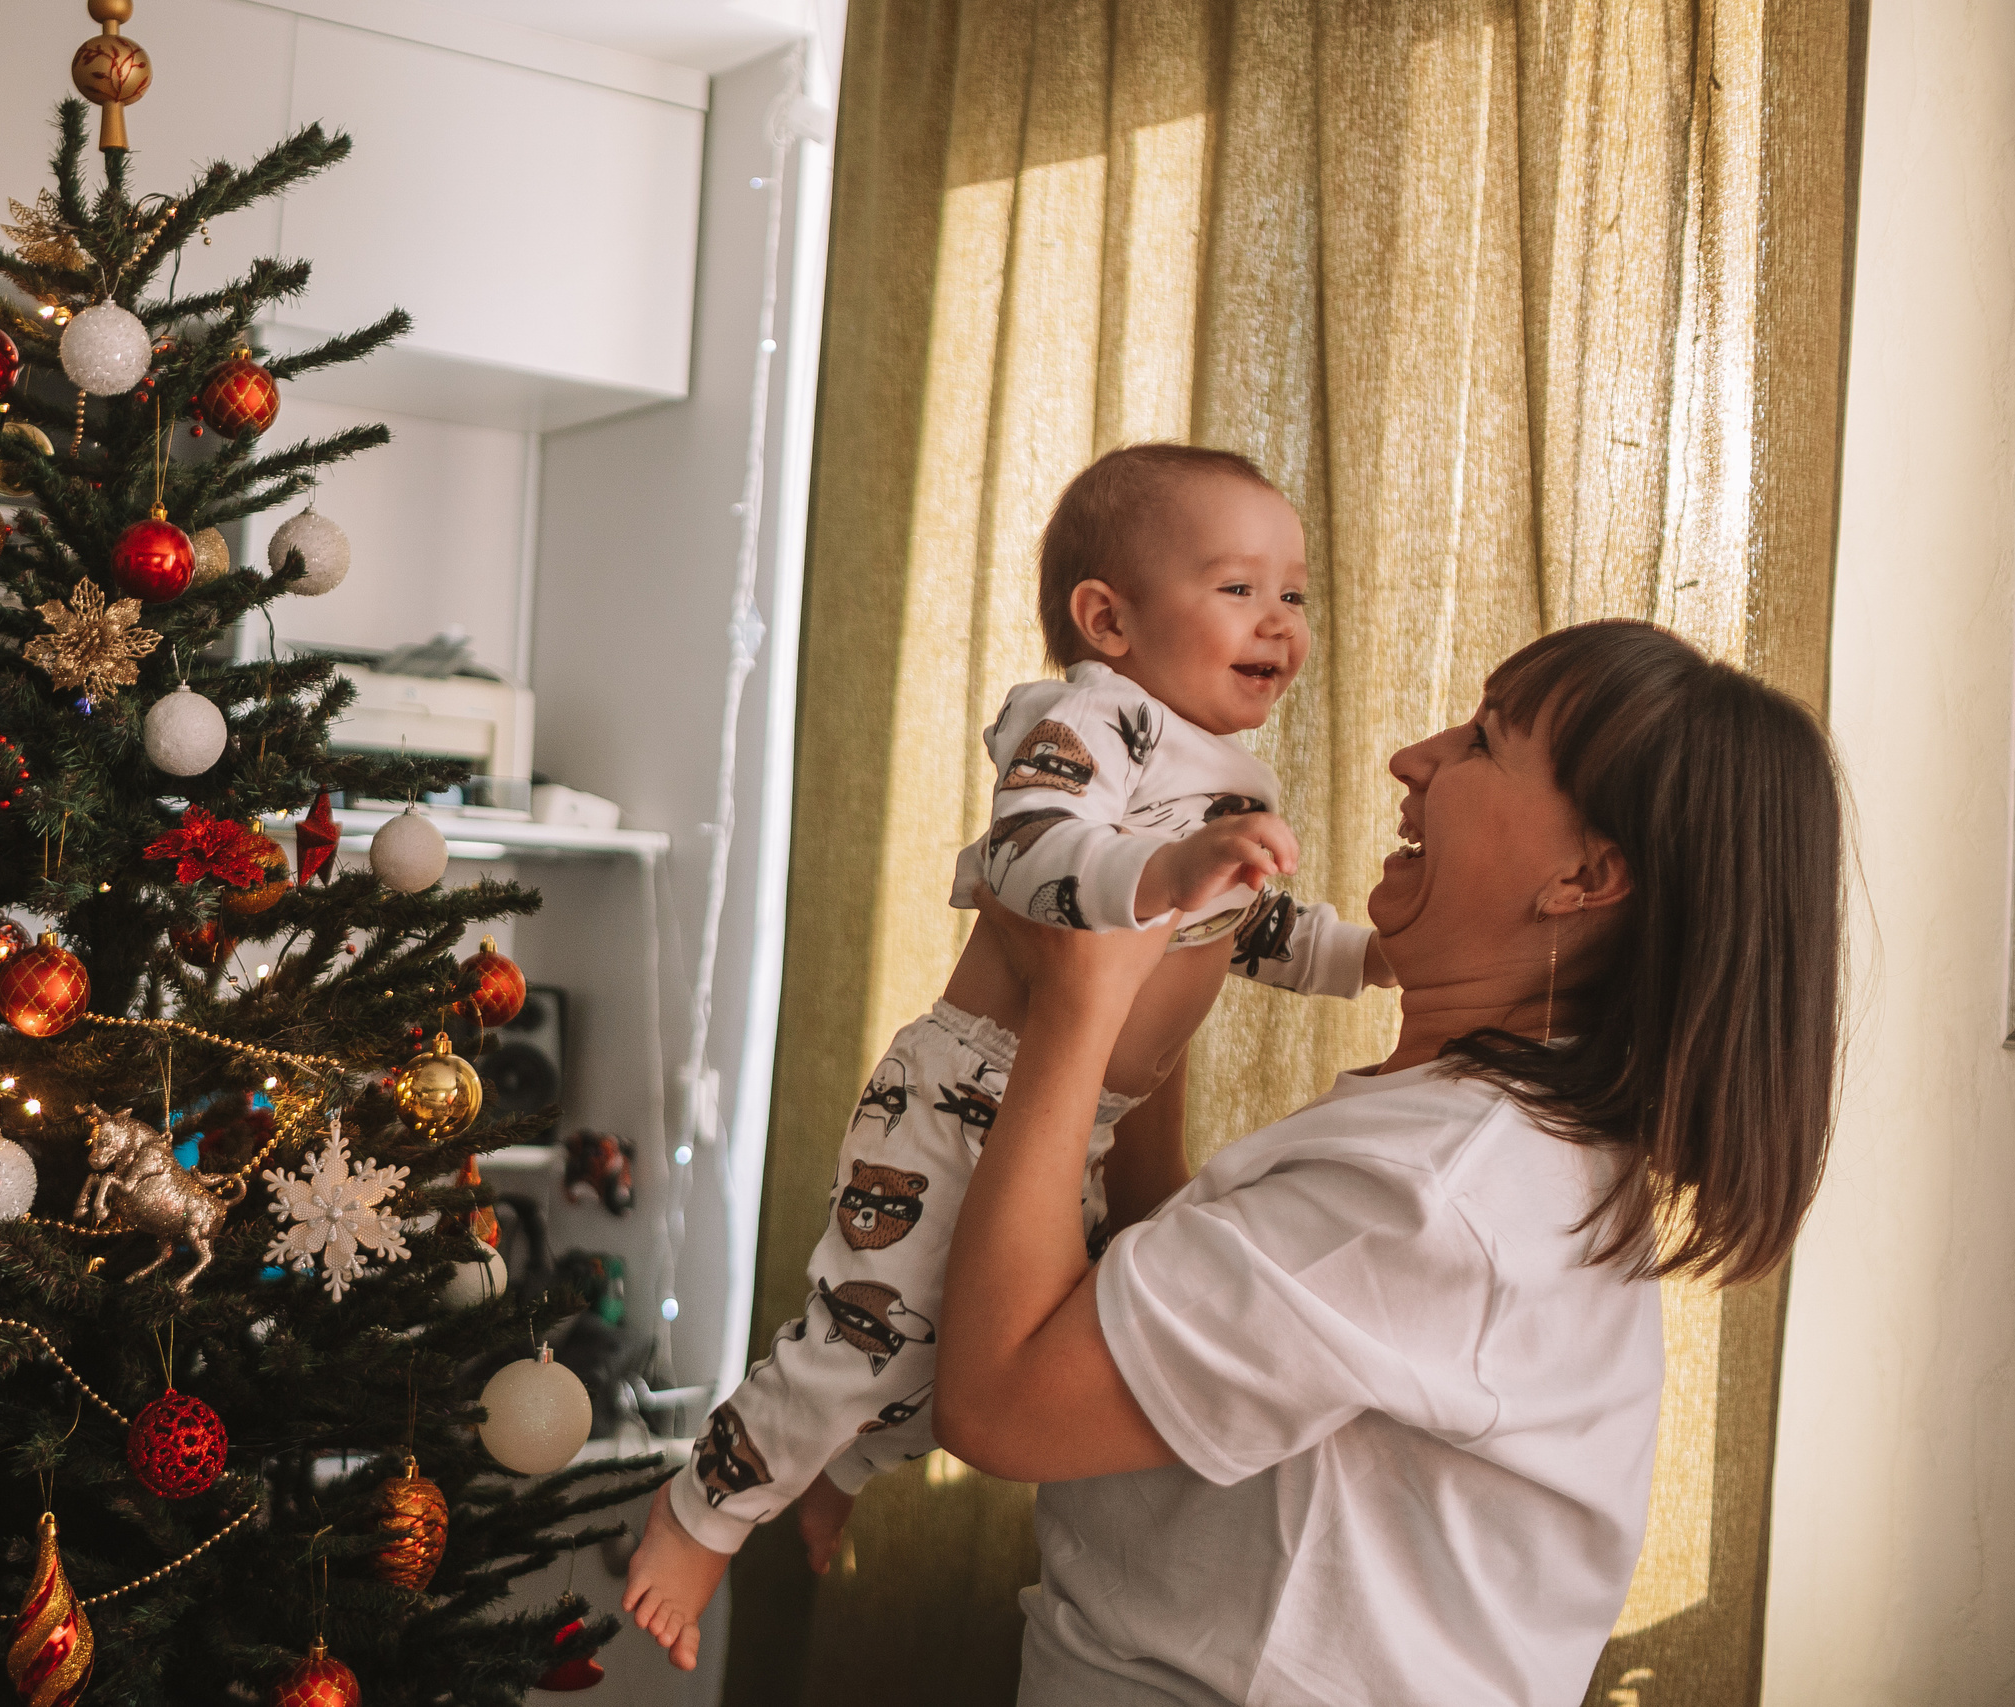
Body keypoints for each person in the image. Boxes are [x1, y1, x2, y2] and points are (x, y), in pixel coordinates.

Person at [937, 618, 1844, 1706]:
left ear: (1585, 875)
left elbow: (1000, 1406)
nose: (1411, 757)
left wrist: (1075, 1007)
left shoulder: (1434, 1190)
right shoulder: (1477, 1134)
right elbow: (1166, 1310)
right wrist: (1155, 976)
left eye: (1480, 745)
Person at [624, 444, 1396, 1669]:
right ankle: (700, 1511)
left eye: (1293, 596)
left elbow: (1253, 929)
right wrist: (1160, 873)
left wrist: (1366, 958)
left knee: (981, 1342)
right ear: (1109, 619)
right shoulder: (1091, 719)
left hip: (1068, 1116)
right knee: (865, 1331)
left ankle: (841, 1469)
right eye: (1241, 589)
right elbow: (1031, 853)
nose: (1281, 624)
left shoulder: (1224, 771)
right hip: (963, 1090)